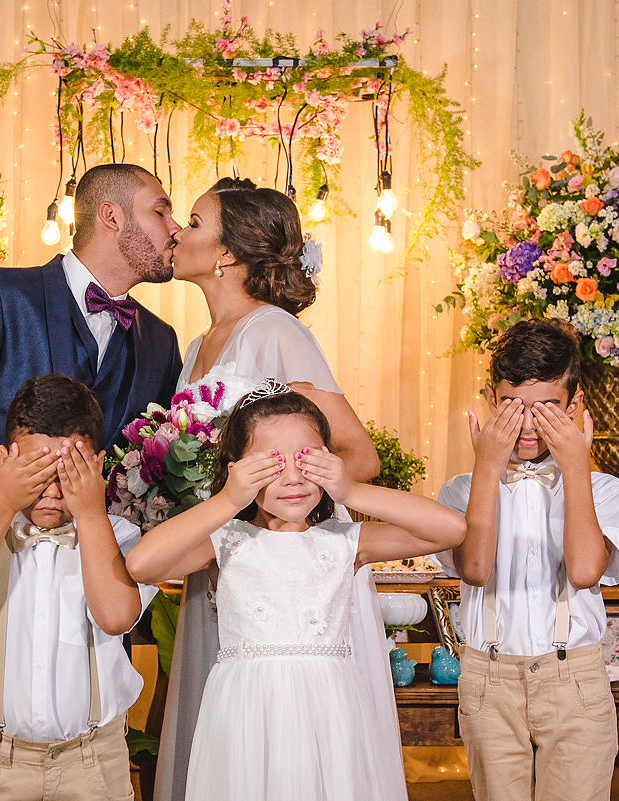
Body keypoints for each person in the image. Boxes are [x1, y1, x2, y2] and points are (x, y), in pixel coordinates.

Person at [0, 163, 183, 798]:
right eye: (161, 211)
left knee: (87, 740)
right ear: (113, 216)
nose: (175, 230)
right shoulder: (0, 296)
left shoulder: (161, 343)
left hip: (92, 589)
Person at [154, 180, 402, 801]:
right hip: (227, 561)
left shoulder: (276, 333)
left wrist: (277, 488)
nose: (177, 232)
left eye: (192, 220)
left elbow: (359, 455)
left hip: (285, 572)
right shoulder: (195, 347)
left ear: (227, 253)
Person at [126, 387, 465, 801]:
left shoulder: (345, 542)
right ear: (237, 470)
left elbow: (451, 529)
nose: (291, 477)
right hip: (247, 717)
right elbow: (142, 564)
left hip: (330, 713)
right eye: (270, 464)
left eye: (307, 461)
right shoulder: (225, 542)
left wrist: (352, 491)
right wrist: (228, 500)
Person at [0, 374, 155, 801]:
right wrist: (1, 500)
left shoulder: (117, 537)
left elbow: (116, 617)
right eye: (32, 470)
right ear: (5, 461)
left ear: (96, 466)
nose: (49, 489)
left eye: (66, 472)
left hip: (94, 763)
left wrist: (91, 512)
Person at [434, 319, 619, 801]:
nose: (528, 424)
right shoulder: (461, 489)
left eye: (547, 407)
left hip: (576, 681)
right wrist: (487, 466)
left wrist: (575, 464)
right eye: (513, 406)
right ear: (490, 399)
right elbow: (475, 569)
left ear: (575, 404)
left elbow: (587, 571)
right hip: (488, 679)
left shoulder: (602, 488)